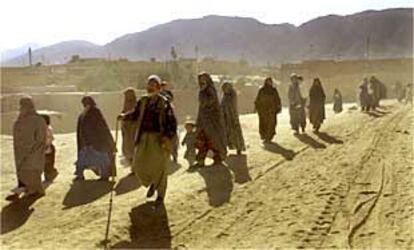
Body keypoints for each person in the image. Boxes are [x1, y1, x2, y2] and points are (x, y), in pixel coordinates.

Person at [118, 75, 177, 204]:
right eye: (148, 85)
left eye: (153, 85)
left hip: (159, 139)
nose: (150, 88)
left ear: (158, 87)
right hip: (144, 137)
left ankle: (160, 195)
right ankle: (152, 184)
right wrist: (124, 116)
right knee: (138, 165)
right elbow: (135, 114)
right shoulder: (143, 101)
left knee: (160, 167)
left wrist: (168, 137)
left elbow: (171, 122)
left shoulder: (164, 103)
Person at [6, 96, 47, 201]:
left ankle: (34, 191)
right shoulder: (21, 118)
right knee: (22, 172)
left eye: (23, 105)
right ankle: (24, 189)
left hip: (33, 152)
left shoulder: (38, 120)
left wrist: (33, 151)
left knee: (31, 171)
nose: (21, 108)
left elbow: (41, 138)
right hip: (21, 153)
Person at [74, 96, 116, 181]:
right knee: (82, 159)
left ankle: (105, 175)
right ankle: (79, 175)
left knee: (102, 160)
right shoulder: (84, 113)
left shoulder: (95, 111)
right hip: (86, 142)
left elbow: (101, 126)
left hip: (97, 142)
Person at [194, 72, 227, 168]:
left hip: (212, 119)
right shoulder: (202, 90)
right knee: (202, 139)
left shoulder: (210, 89)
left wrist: (205, 102)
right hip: (203, 120)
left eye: (204, 78)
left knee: (214, 140)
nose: (202, 80)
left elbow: (212, 101)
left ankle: (218, 158)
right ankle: (200, 160)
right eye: (201, 79)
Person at [254, 77, 282, 143]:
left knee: (272, 124)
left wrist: (278, 107)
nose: (269, 83)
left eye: (270, 81)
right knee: (264, 123)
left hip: (272, 110)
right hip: (263, 111)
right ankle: (264, 136)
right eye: (268, 81)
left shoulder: (273, 90)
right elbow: (258, 99)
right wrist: (256, 107)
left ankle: (269, 137)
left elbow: (277, 99)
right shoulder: (262, 90)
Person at [221, 82, 246, 153]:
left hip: (232, 117)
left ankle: (239, 147)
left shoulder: (232, 95)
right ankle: (230, 146)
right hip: (226, 118)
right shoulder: (224, 96)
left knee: (236, 133)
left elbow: (232, 106)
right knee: (228, 133)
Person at [160, 81, 179, 163]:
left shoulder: (168, 94)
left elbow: (170, 100)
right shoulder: (158, 95)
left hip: (169, 121)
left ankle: (174, 156)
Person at [121, 88, 138, 165]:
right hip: (126, 127)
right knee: (127, 144)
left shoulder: (136, 104)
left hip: (133, 127)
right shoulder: (126, 104)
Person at [41, 114, 58, 182]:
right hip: (48, 148)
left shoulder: (46, 129)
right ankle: (50, 174)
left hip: (47, 148)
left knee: (48, 163)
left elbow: (48, 138)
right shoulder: (48, 128)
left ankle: (50, 174)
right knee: (48, 163)